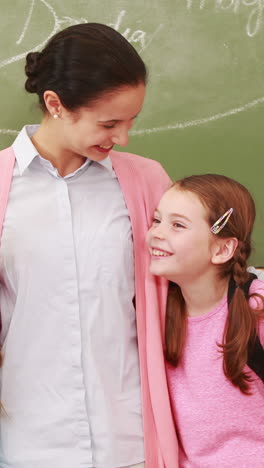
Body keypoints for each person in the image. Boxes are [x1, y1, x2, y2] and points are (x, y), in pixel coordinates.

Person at [0, 23, 179, 468]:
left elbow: (187, 288)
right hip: (29, 439)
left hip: (133, 436)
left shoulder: (147, 180)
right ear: (55, 104)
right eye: (109, 123)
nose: (123, 138)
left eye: (131, 121)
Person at [146, 173, 264, 467]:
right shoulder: (155, 311)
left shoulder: (256, 309)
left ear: (222, 249)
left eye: (178, 225)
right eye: (156, 220)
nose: (156, 233)